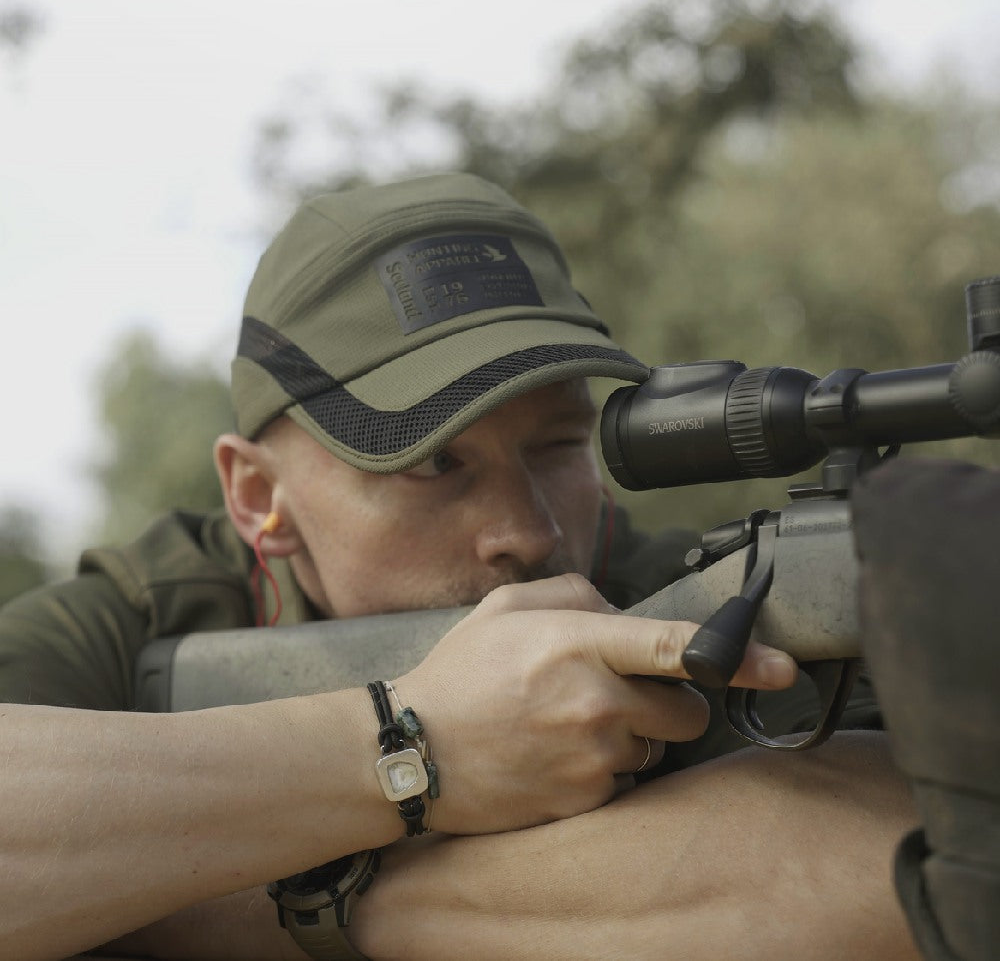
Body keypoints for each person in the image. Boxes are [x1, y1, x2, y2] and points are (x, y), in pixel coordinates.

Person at [0, 173, 918, 961]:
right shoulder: (145, 612)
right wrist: (408, 742)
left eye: (559, 444)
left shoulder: (694, 600)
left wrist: (266, 897)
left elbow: (889, 874)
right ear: (255, 497)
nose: (524, 531)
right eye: (434, 462)